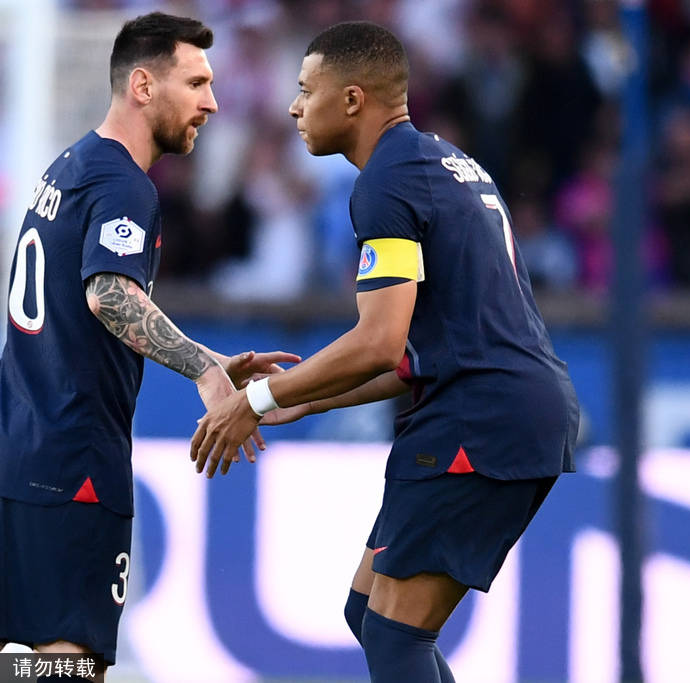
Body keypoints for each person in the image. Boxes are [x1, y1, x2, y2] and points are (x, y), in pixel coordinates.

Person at [0, 12, 298, 682]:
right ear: (143, 86)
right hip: (70, 463)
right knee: (71, 663)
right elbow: (108, 294)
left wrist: (204, 354)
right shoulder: (125, 185)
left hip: (1, 446)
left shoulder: (72, 164)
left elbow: (84, 301)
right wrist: (204, 371)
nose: (211, 102)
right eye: (196, 83)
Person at [190, 21, 579, 683]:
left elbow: (377, 341)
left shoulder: (387, 182)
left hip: (477, 418)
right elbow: (413, 354)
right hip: (502, 406)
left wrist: (253, 399)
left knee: (396, 635)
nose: (294, 107)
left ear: (352, 100)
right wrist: (305, 400)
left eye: (306, 89)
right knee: (369, 613)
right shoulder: (445, 164)